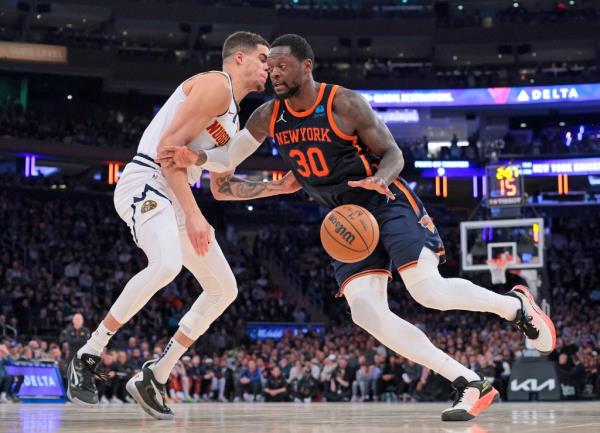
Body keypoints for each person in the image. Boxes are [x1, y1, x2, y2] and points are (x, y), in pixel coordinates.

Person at [158, 34, 556, 421]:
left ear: (306, 66)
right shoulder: (268, 114)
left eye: (282, 66)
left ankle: (515, 306)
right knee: (366, 312)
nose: (274, 73)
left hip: (385, 202)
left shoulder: (344, 103)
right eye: (270, 66)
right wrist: (197, 155)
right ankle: (469, 381)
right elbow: (231, 154)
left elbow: (393, 153)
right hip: (344, 221)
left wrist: (381, 178)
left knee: (428, 291)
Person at [66, 31, 270, 420]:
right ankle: (89, 352)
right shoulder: (216, 84)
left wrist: (280, 186)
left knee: (224, 288)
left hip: (174, 193)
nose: (268, 66)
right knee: (166, 265)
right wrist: (194, 214)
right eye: (263, 58)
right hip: (147, 181)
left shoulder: (231, 115)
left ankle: (155, 375)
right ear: (239, 58)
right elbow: (166, 154)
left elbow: (223, 188)